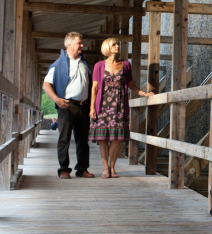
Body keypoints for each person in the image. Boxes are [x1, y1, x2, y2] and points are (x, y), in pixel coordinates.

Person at [89, 37, 150, 178]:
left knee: (116, 139)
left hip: (120, 106)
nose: (117, 46)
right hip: (102, 105)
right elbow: (95, 88)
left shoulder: (126, 65)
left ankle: (112, 167)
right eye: (114, 45)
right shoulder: (99, 65)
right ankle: (105, 168)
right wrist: (92, 108)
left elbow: (131, 84)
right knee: (102, 138)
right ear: (107, 48)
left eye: (117, 44)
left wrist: (143, 93)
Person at [42, 32, 95, 179]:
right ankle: (64, 169)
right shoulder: (58, 65)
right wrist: (57, 100)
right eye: (79, 42)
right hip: (66, 105)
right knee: (64, 138)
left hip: (83, 106)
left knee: (83, 140)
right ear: (69, 44)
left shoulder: (84, 63)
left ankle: (82, 169)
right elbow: (46, 85)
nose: (82, 45)